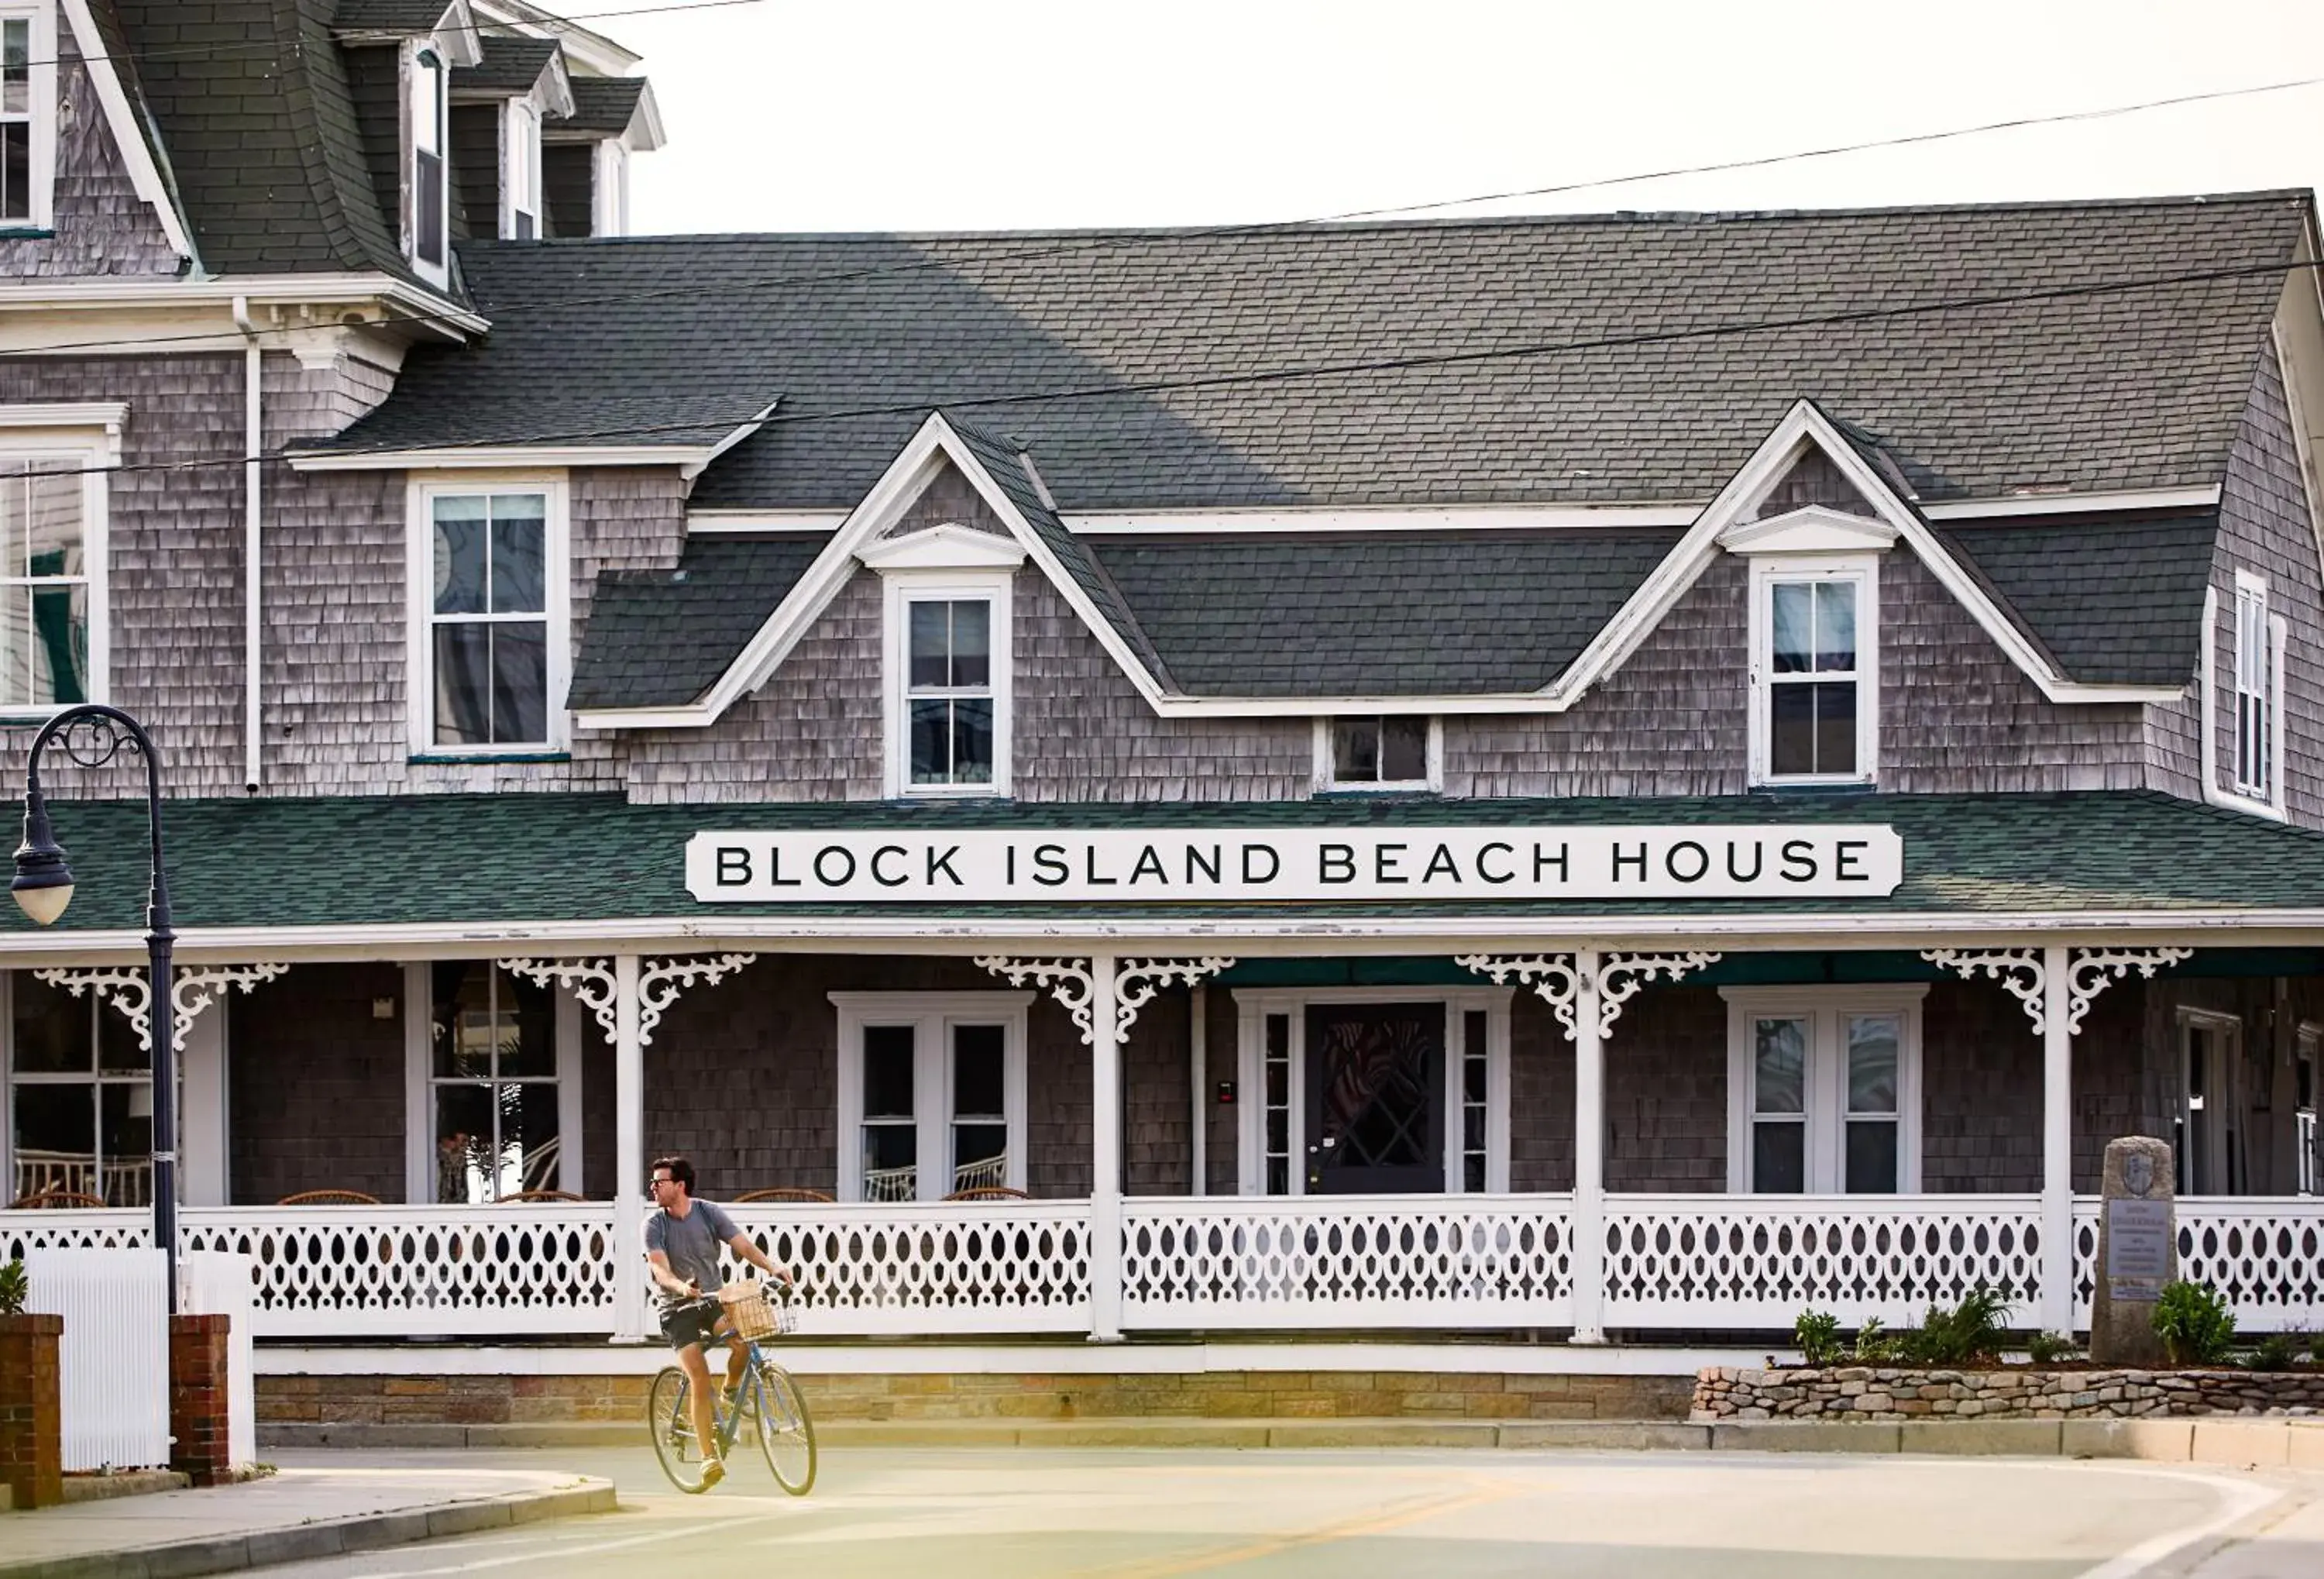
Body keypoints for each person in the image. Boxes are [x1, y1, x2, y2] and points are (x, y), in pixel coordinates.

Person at [643, 1154, 791, 1488]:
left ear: (680, 1185)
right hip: (677, 1309)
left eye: (659, 1182)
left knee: (743, 1340)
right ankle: (709, 1458)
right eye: (653, 1182)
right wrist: (681, 1287)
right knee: (699, 1376)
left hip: (712, 1300)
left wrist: (773, 1267)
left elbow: (743, 1246)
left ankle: (731, 1390)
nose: (653, 1187)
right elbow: (659, 1268)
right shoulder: (654, 1225)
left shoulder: (708, 1212)